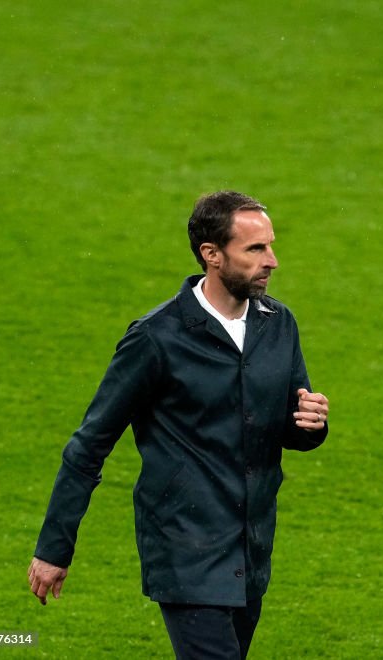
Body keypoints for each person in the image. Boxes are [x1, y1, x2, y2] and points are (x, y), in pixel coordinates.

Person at [28, 190, 330, 658]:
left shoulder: (278, 324)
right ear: (211, 254)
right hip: (186, 550)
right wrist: (54, 549)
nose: (273, 260)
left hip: (250, 551)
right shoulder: (156, 339)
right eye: (255, 249)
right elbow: (90, 444)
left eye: (270, 245)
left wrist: (311, 425)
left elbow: (287, 425)